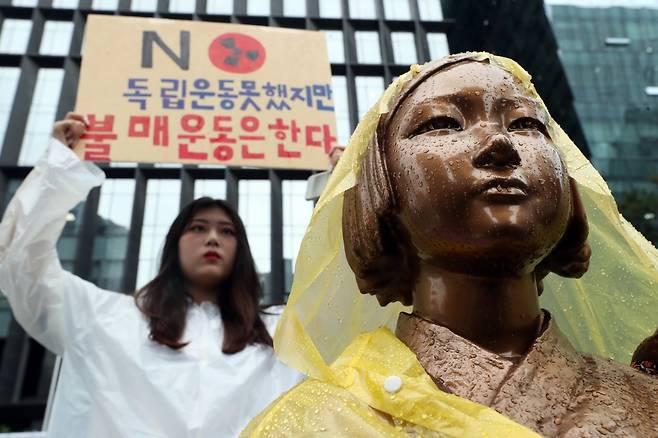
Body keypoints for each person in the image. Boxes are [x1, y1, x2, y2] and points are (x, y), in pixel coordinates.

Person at [240, 53, 658, 437]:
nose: (500, 143)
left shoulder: (646, 397)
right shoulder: (313, 424)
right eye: (442, 123)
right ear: (380, 187)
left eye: (526, 124)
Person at [0, 113, 302, 438]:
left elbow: (349, 314)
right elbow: (22, 261)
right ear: (175, 245)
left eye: (226, 231)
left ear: (240, 250)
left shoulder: (280, 332)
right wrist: (60, 165)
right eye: (198, 228)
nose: (212, 238)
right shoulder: (102, 317)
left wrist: (347, 188)